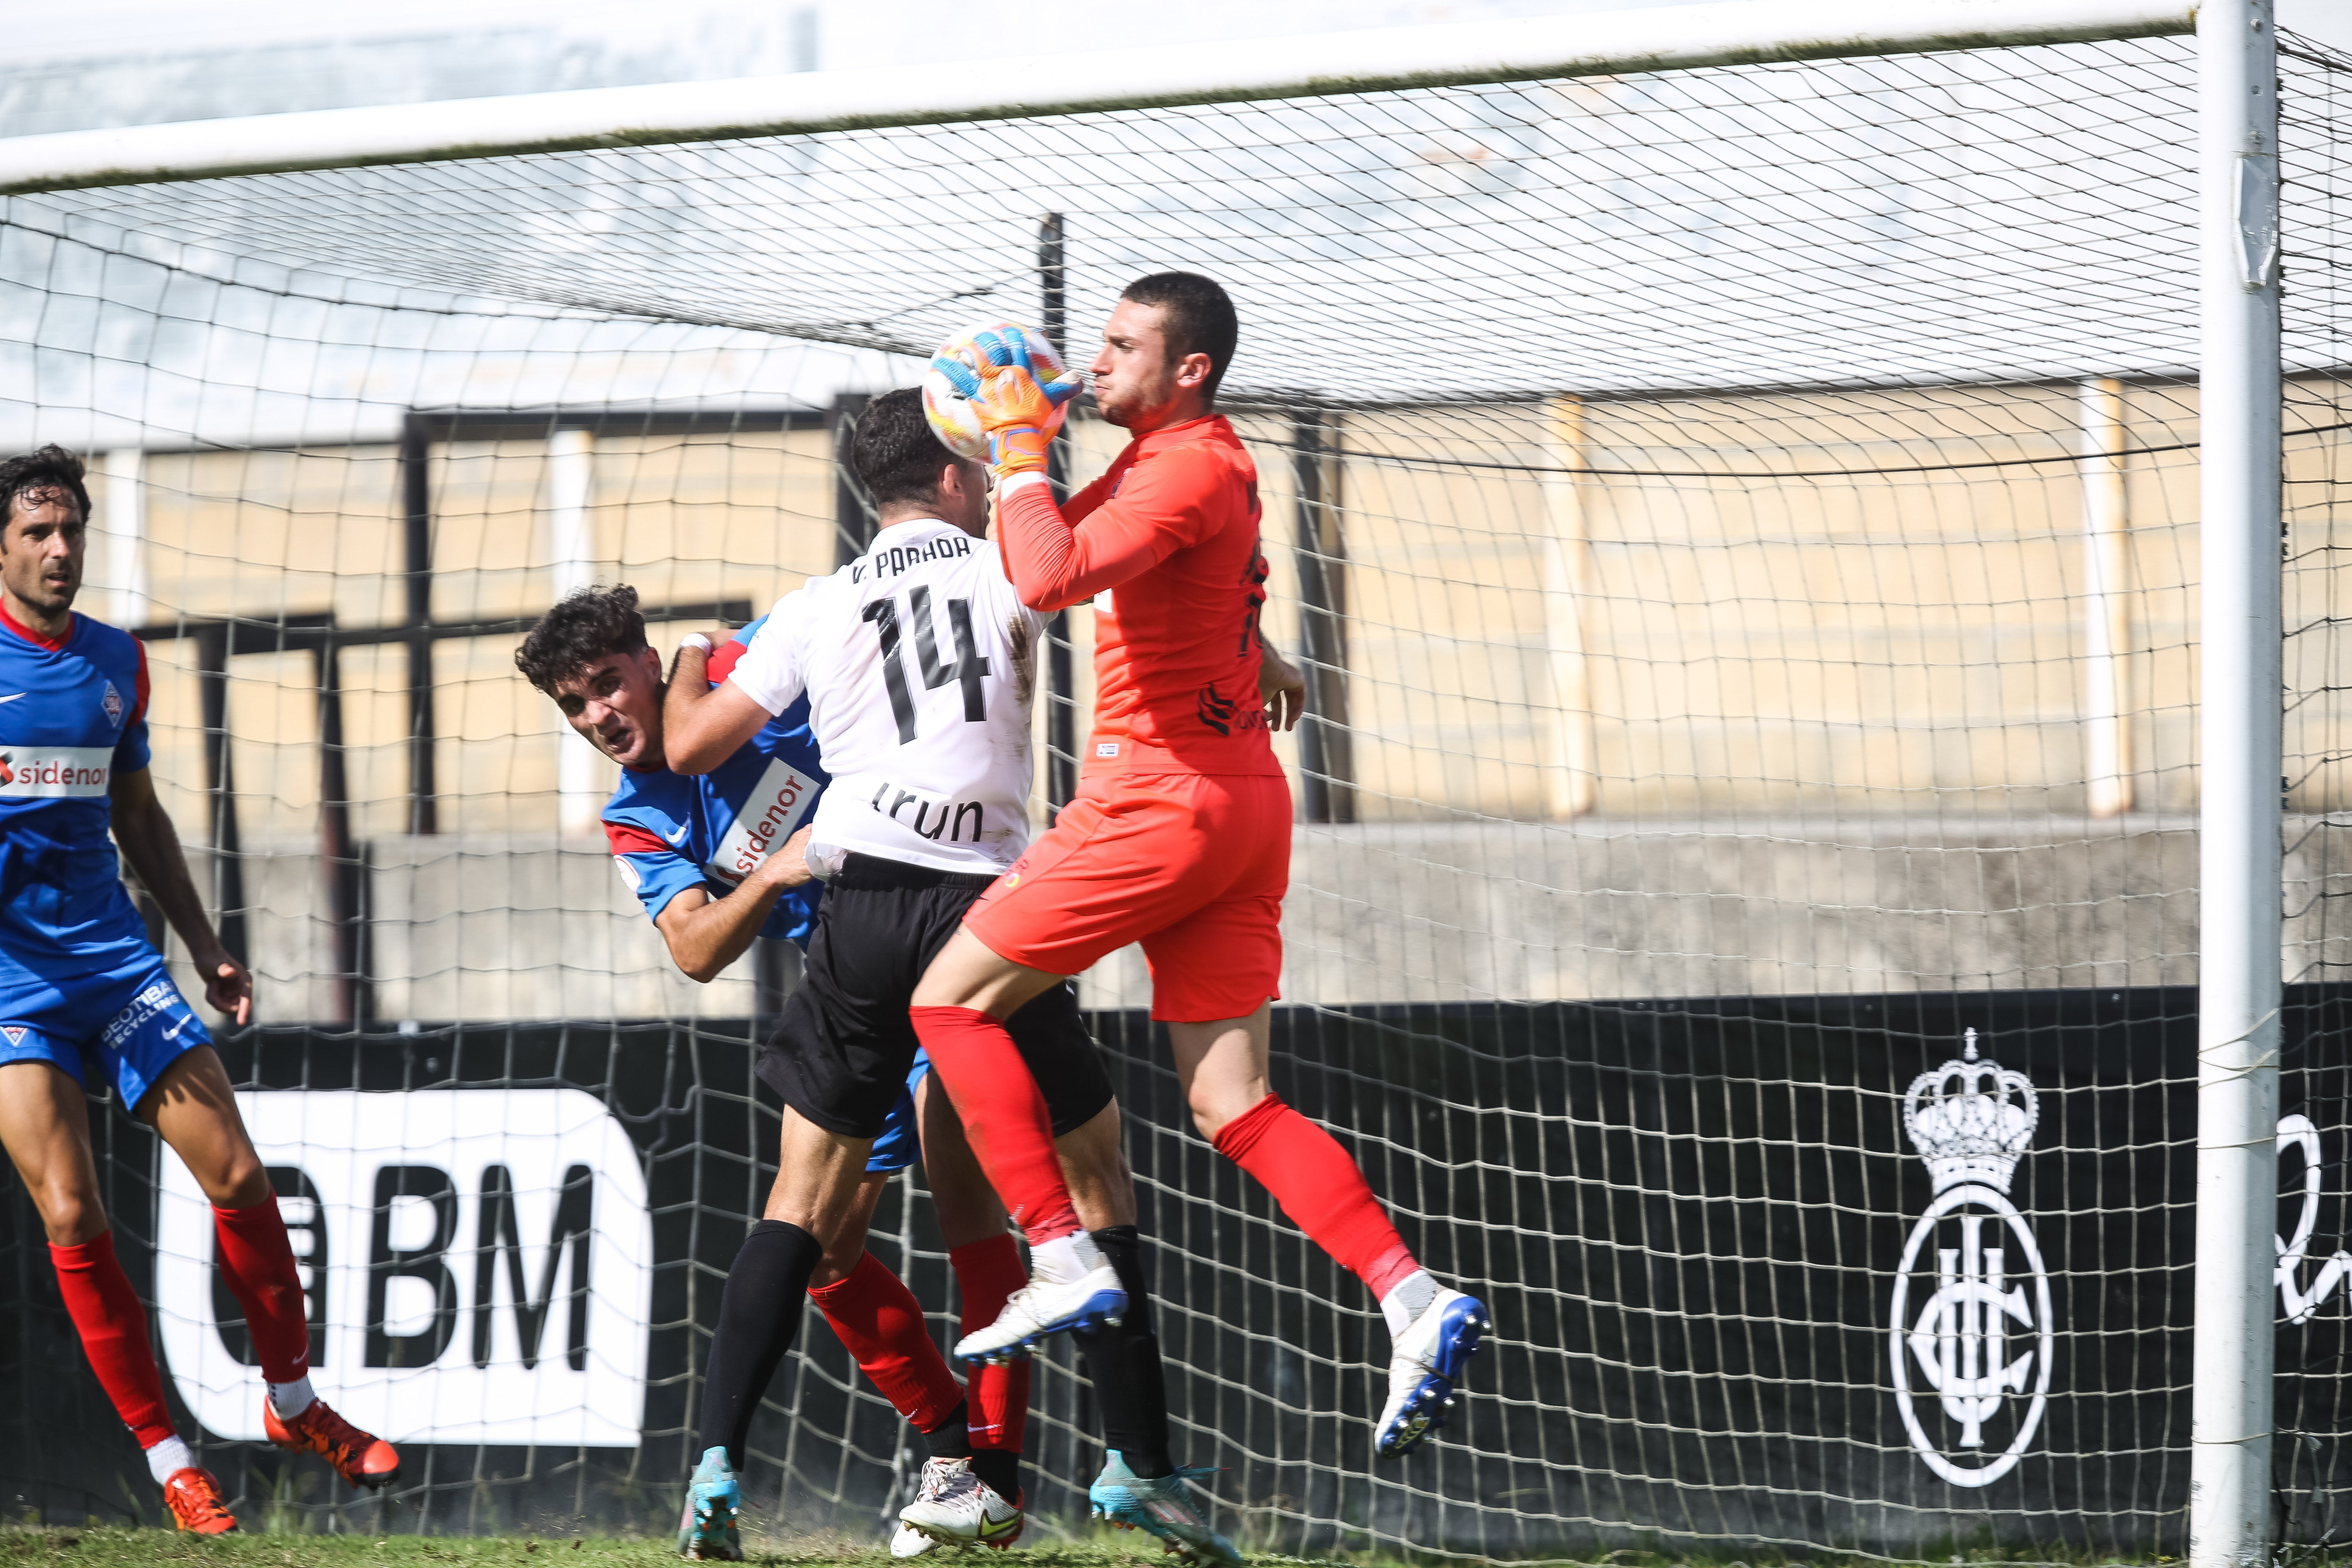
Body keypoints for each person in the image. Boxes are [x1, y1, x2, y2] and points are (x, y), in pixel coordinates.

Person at [909, 277, 1490, 1463]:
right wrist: (1261, 649)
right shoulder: (1192, 461)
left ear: (1191, 371)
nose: (1096, 359)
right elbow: (1200, 572)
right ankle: (1413, 1299)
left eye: (1125, 345)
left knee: (945, 1002)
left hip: (1158, 801)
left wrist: (1018, 443)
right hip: (1238, 808)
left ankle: (1059, 1254)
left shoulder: (1182, 464)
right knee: (1234, 1104)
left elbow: (1047, 576)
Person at [659, 388, 1235, 1563]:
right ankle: (1140, 1466)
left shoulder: (819, 607)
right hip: (987, 919)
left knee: (800, 1205)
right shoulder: (1009, 568)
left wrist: (681, 660)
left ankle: (716, 1463)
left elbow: (689, 748)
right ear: (964, 481)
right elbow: (1144, 570)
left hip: (859, 906)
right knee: (1090, 1178)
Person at [516, 584, 1064, 1559]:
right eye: (575, 705)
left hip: (947, 935)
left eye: (608, 684)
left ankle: (995, 1475)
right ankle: (947, 1444)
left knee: (968, 1201)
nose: (600, 716)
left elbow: (875, 621)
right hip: (848, 991)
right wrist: (772, 873)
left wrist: (699, 649)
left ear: (649, 667)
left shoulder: (753, 669)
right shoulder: (639, 814)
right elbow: (690, 948)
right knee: (829, 1251)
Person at [0, 445, 398, 1534]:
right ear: (2, 544)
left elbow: (139, 816)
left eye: (71, 529)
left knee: (235, 1174)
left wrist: (206, 942)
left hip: (115, 960)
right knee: (74, 1210)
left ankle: (293, 1400)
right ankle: (171, 1460)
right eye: (37, 532)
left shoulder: (117, 661)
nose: (60, 549)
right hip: (10, 983)